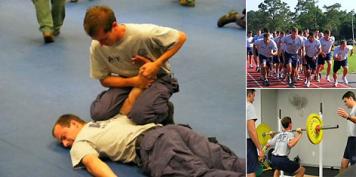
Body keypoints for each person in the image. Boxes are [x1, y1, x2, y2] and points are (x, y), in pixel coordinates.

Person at [51, 113, 246, 177]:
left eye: (64, 137)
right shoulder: (110, 118)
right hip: (174, 130)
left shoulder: (82, 139)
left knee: (195, 174)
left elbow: (92, 162)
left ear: (75, 123)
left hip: (154, 144)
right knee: (228, 161)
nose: (67, 144)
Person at [83, 5, 186, 125]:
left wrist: (157, 64)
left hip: (158, 78)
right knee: (99, 114)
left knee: (140, 115)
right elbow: (104, 80)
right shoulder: (97, 45)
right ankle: (145, 101)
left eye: (104, 39)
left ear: (114, 25)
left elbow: (181, 38)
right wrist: (134, 82)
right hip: (128, 80)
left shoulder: (143, 34)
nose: (100, 44)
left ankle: (166, 110)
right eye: (97, 40)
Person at [337, 91, 356, 172]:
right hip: (350, 140)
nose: (345, 104)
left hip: (355, 140)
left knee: (354, 167)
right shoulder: (353, 109)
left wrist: (348, 116)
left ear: (351, 98)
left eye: (345, 101)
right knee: (343, 164)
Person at [247, 89, 264, 177]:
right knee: (250, 171)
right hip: (248, 143)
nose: (254, 99)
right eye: (253, 96)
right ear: (250, 95)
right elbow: (251, 130)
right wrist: (260, 149)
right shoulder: (249, 106)